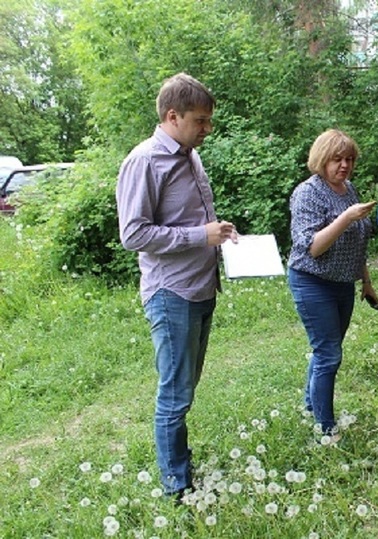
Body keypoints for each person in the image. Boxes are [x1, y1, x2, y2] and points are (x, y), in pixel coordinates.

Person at [116, 73, 237, 499]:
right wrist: (198, 236)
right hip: (172, 294)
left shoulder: (189, 155)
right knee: (175, 391)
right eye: (201, 121)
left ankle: (180, 466)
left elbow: (189, 221)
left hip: (201, 288)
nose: (208, 129)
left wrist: (217, 233)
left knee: (185, 386)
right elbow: (133, 235)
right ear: (173, 116)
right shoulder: (144, 161)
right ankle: (176, 486)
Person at [287, 129, 378, 437]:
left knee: (327, 349)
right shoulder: (308, 193)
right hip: (312, 281)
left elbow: (357, 242)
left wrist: (365, 281)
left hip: (343, 283)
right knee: (329, 354)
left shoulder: (348, 190)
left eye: (350, 159)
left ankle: (310, 406)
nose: (344, 166)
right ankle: (325, 428)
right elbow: (311, 246)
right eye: (337, 159)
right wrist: (345, 219)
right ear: (322, 159)